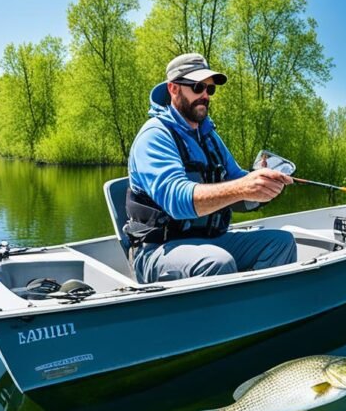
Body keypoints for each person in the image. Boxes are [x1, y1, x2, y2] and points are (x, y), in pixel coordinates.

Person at [124, 53, 297, 283]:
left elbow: (239, 186)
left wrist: (263, 188)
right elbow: (177, 201)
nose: (205, 95)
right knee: (216, 262)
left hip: (210, 240)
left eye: (210, 89)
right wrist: (243, 186)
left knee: (281, 243)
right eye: (197, 87)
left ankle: (257, 312)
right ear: (173, 88)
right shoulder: (154, 136)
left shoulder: (210, 137)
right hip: (157, 250)